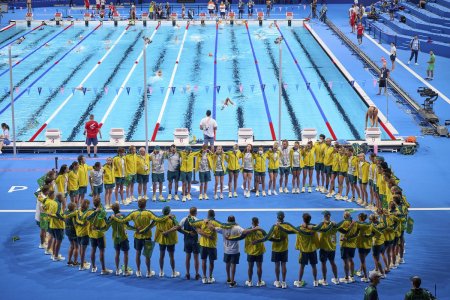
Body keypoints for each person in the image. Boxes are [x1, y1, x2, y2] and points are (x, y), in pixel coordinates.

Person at [112, 199, 172, 278]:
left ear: (138, 205)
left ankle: (138, 271)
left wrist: (114, 218)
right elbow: (158, 219)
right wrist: (168, 216)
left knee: (138, 253)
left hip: (137, 237)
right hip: (147, 237)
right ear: (145, 205)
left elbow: (123, 221)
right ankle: (148, 272)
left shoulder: (133, 213)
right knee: (147, 255)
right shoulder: (148, 213)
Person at [189, 209, 232, 284]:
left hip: (202, 245)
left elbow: (191, 223)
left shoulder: (202, 221)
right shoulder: (215, 222)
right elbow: (224, 226)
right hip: (212, 246)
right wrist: (234, 224)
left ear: (208, 215)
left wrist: (190, 216)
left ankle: (204, 277)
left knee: (203, 261)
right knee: (211, 262)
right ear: (214, 215)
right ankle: (210, 277)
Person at [253, 211, 290, 289]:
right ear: (284, 217)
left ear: (277, 217)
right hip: (284, 248)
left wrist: (258, 241)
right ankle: (283, 282)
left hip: (276, 249)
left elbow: (267, 237)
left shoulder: (274, 226)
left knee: (277, 265)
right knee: (283, 265)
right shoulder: (287, 226)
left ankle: (277, 281)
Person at [227, 217, 267, 287]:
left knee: (250, 267)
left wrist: (231, 238)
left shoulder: (247, 231)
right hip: (259, 252)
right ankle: (259, 281)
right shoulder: (262, 231)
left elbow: (240, 237)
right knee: (259, 267)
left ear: (252, 222)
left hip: (250, 252)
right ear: (258, 222)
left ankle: (249, 281)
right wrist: (259, 240)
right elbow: (267, 238)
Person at [167, 207, 200, 280]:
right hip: (195, 241)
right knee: (196, 258)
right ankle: (197, 274)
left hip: (187, 241)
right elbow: (200, 231)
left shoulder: (184, 219)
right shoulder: (197, 220)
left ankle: (187, 273)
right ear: (196, 213)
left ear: (189, 212)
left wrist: (186, 233)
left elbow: (178, 228)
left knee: (187, 257)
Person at [215, 215, 244, 287]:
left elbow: (213, 228)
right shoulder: (237, 228)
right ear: (234, 221)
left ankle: (228, 278)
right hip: (235, 251)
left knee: (227, 264)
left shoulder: (223, 228)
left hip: (226, 251)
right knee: (233, 265)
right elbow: (245, 232)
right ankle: (232, 281)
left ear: (227, 221)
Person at [152, 206, 180, 278]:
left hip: (162, 240)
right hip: (170, 241)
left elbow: (154, 227)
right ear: (169, 212)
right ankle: (173, 272)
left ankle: (161, 272)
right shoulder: (171, 220)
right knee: (171, 257)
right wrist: (173, 218)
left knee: (161, 256)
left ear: (162, 212)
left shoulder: (159, 219)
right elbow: (178, 226)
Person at [106, 203, 133, 276]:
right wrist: (136, 229)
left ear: (112, 209)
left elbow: (106, 226)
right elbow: (128, 226)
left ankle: (117, 270)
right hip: (123, 237)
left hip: (115, 238)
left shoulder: (110, 217)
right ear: (119, 208)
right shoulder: (123, 216)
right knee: (125, 253)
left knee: (117, 253)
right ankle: (126, 271)